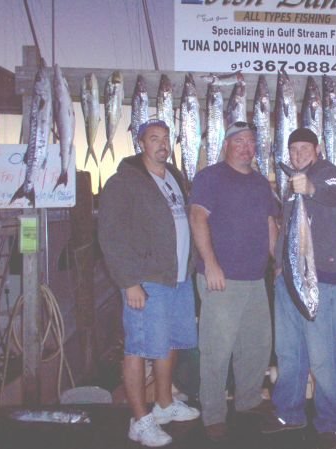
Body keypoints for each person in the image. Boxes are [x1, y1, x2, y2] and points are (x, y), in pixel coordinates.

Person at [99, 119, 200, 447]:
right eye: (154, 138)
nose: (162, 144)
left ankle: (164, 405)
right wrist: (129, 282)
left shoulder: (174, 177)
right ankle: (140, 421)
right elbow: (110, 235)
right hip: (146, 280)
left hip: (177, 278)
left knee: (169, 343)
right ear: (141, 143)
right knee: (139, 348)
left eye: (166, 138)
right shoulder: (123, 182)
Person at [189, 121, 278, 443]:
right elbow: (197, 217)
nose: (245, 147)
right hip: (221, 280)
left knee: (256, 346)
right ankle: (213, 414)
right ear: (226, 145)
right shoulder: (209, 177)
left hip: (256, 279)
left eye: (250, 141)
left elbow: (270, 224)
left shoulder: (260, 183)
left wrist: (279, 264)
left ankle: (248, 400)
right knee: (217, 350)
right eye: (238, 141)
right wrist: (211, 264)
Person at [261, 128, 336, 449]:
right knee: (289, 351)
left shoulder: (329, 173)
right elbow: (289, 228)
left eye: (304, 148)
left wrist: (308, 187)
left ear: (318, 148)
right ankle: (289, 412)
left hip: (320, 280)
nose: (297, 154)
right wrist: (279, 266)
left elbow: (332, 193)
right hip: (288, 280)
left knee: (323, 356)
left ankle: (330, 422)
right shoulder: (290, 185)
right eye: (293, 149)